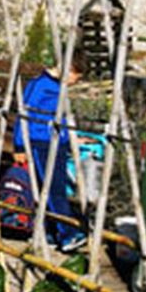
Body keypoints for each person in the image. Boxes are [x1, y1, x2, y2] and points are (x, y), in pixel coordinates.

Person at [13, 51, 86, 252]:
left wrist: (70, 138)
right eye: (76, 77)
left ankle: (50, 233)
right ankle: (67, 233)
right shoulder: (40, 86)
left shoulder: (58, 87)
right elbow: (24, 115)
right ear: (69, 69)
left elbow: (59, 118)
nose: (75, 82)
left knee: (55, 187)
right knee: (52, 189)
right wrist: (19, 145)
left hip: (57, 142)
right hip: (41, 143)